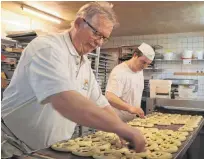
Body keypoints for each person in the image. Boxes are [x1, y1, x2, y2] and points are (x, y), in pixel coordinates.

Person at [1, 2, 146, 158]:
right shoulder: (48, 48)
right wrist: (120, 128)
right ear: (78, 23)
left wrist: (120, 128)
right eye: (97, 33)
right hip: (15, 145)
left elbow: (101, 103)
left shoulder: (83, 63)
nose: (99, 43)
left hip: (50, 150)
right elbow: (64, 100)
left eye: (104, 38)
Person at [105, 43, 155, 122]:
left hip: (131, 121)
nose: (145, 66)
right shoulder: (120, 71)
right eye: (143, 62)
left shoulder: (139, 71)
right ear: (135, 55)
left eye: (148, 64)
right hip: (116, 121)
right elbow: (110, 97)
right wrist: (130, 108)